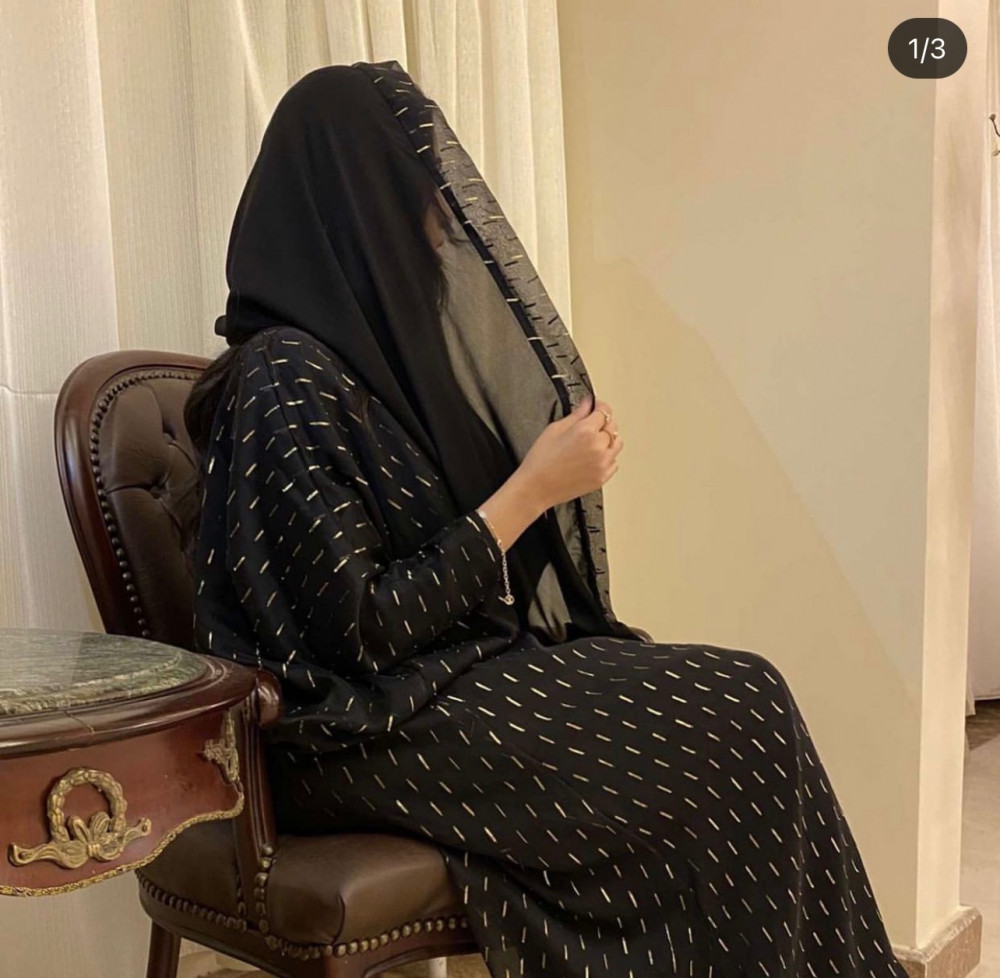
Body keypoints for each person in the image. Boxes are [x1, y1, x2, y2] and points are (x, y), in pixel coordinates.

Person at [185, 61, 907, 978]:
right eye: (419, 197)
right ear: (353, 204)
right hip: (350, 733)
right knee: (732, 715)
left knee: (747, 698)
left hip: (438, 690)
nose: (441, 222)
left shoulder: (362, 372)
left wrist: (537, 472)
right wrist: (530, 490)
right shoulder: (281, 377)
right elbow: (358, 629)